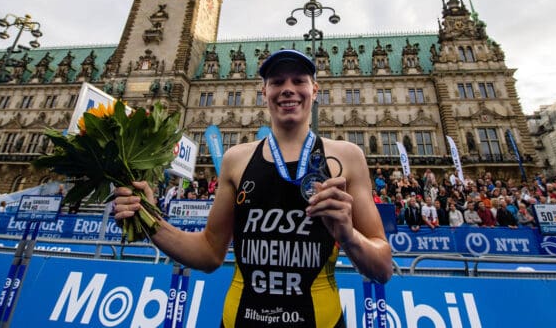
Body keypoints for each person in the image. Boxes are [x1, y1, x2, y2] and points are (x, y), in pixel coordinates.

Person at [114, 49, 392, 327]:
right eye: (277, 82)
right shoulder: (236, 159)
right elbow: (209, 253)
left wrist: (349, 236)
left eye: (298, 81)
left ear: (314, 90)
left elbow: (382, 268)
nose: (287, 89)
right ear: (264, 92)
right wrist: (148, 217)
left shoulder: (347, 157)